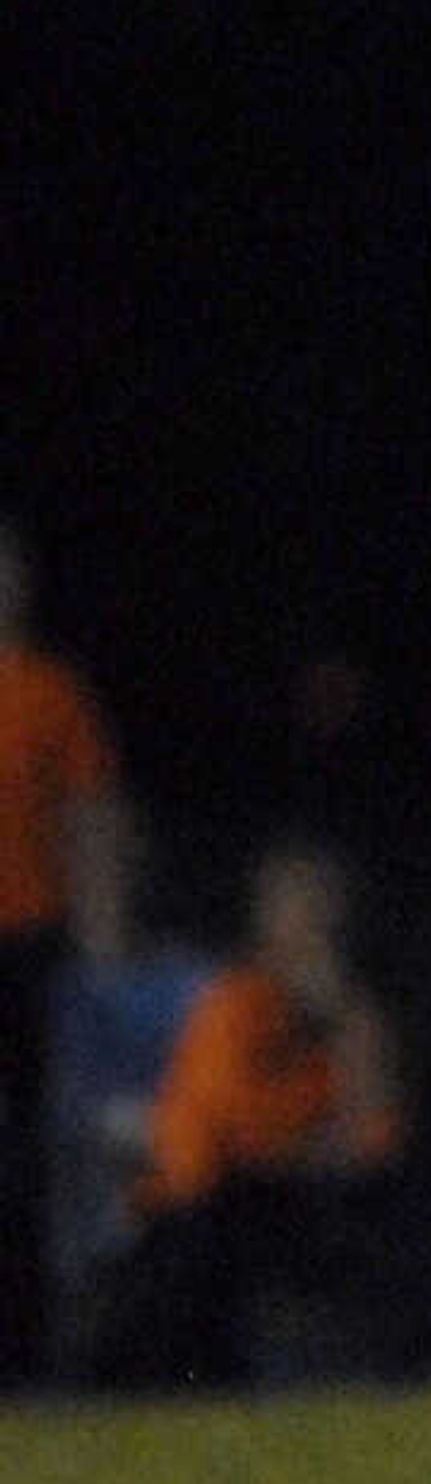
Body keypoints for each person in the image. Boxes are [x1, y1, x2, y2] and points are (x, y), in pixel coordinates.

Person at [83, 845, 431, 1389]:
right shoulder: (239, 1002)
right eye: (299, 907)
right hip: (205, 1207)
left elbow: (379, 1135)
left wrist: (345, 1028)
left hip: (309, 1197)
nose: (315, 925)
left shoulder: (354, 1016)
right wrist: (315, 1140)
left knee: (396, 1218)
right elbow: (228, 1125)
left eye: (325, 907)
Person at [0, 518, 129, 1381]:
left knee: (31, 1152)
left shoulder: (51, 692)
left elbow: (90, 821)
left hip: (27, 942)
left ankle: (29, 1350)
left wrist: (103, 933)